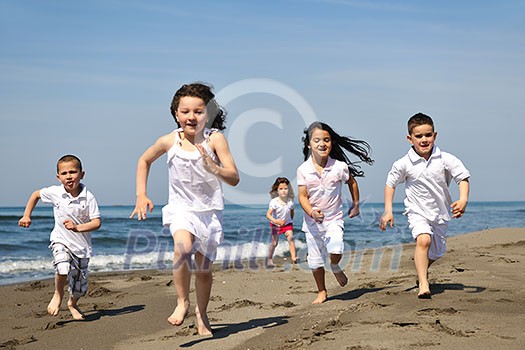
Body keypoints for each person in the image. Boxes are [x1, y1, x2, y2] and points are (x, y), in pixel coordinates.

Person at [130, 82, 239, 336]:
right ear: (176, 114)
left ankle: (202, 314)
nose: (192, 117)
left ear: (208, 114)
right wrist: (141, 194)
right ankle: (182, 302)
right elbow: (144, 160)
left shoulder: (216, 139)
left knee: (203, 271)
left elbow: (234, 177)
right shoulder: (169, 141)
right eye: (185, 111)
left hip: (209, 213)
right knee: (183, 249)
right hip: (181, 209)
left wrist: (215, 168)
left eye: (198, 111)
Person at [379, 113, 470, 298]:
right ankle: (423, 283)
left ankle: (421, 269)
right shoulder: (404, 163)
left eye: (428, 135)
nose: (424, 139)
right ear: (409, 138)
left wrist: (463, 199)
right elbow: (390, 184)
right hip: (416, 211)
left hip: (440, 213)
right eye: (418, 136)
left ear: (435, 135)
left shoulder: (445, 159)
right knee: (423, 241)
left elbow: (463, 177)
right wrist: (388, 210)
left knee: (436, 252)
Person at [297, 121, 373, 304]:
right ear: (308, 144)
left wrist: (356, 205)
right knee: (314, 262)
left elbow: (352, 183)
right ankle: (322, 291)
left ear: (332, 143)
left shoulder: (339, 167)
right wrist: (311, 212)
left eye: (327, 140)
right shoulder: (303, 170)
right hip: (312, 223)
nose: (322, 144)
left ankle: (335, 264)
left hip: (333, 219)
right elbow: (302, 196)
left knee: (336, 249)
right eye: (317, 140)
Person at [18, 155, 101, 320]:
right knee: (62, 267)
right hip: (60, 240)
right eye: (64, 173)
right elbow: (35, 195)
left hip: (82, 247)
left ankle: (72, 303)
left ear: (82, 174)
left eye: (73, 172)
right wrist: (26, 215)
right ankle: (58, 294)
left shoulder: (88, 197)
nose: (69, 176)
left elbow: (97, 222)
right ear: (58, 177)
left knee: (80, 288)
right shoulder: (55, 192)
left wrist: (78, 228)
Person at [266, 177, 298, 267]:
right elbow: (268, 215)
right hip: (275, 224)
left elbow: (292, 211)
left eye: (285, 188)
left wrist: (291, 220)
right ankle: (269, 259)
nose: (283, 191)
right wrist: (276, 221)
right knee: (274, 243)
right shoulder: (274, 202)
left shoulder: (291, 202)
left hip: (287, 224)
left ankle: (294, 258)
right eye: (281, 189)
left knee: (290, 237)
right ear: (277, 190)